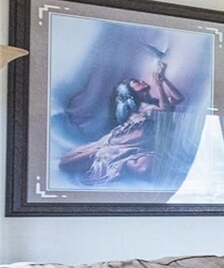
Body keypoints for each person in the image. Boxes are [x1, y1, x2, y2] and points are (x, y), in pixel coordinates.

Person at [57, 55, 185, 184]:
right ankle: (104, 154)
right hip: (116, 144)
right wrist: (159, 85)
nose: (142, 82)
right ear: (130, 92)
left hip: (132, 148)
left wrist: (162, 82)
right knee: (66, 162)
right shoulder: (141, 107)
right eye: (136, 83)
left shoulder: (153, 106)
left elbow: (176, 101)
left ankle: (113, 158)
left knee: (142, 167)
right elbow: (165, 110)